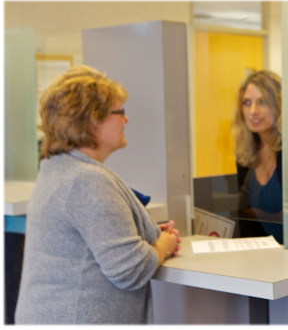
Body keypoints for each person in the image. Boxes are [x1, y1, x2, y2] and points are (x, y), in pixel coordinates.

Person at [15, 65, 182, 324]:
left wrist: (136, 233)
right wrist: (163, 246)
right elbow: (131, 270)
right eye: (119, 112)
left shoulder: (59, 168)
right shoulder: (87, 181)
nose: (126, 119)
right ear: (92, 123)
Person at [232, 70, 283, 243]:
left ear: (278, 105)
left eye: (262, 102)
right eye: (247, 103)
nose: (253, 111)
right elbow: (244, 216)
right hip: (260, 256)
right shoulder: (245, 155)